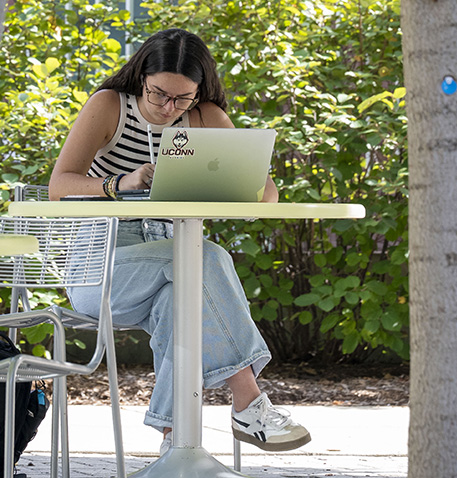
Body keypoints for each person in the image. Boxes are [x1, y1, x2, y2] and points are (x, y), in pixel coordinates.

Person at [48, 27, 311, 455]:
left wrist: (230, 176)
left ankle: (176, 446)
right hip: (103, 265)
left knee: (182, 303)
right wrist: (121, 182)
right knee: (205, 258)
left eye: (182, 98)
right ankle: (249, 401)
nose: (169, 108)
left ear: (199, 90)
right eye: (158, 95)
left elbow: (267, 194)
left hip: (171, 248)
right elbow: (59, 184)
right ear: (141, 78)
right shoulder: (109, 105)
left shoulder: (202, 116)